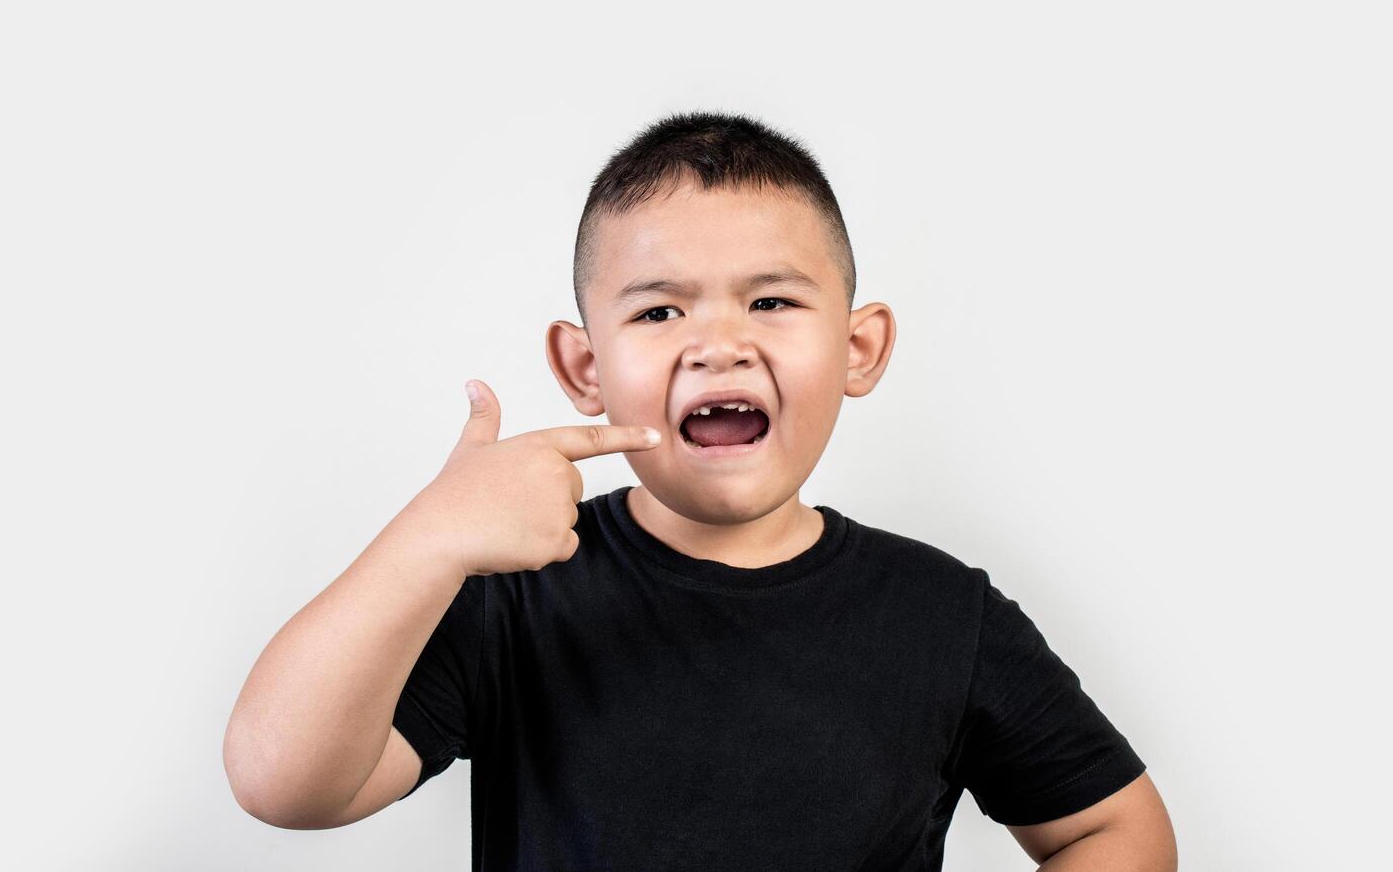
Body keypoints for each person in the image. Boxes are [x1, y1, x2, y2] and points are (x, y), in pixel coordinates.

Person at [223, 111, 1177, 870]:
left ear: (858, 348)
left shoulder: (944, 615)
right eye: (659, 309)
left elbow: (1113, 830)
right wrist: (426, 540)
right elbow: (284, 786)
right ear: (583, 366)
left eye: (770, 301)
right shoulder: (516, 595)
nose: (717, 342)